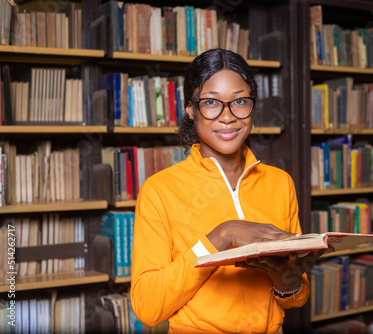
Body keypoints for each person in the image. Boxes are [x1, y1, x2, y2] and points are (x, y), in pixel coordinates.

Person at [131, 48, 319, 333]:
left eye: (240, 101)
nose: (228, 116)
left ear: (252, 106)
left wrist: (287, 284)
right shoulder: (159, 190)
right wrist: (222, 235)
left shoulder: (280, 182)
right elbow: (147, 307)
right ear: (191, 109)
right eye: (211, 102)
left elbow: (295, 298)